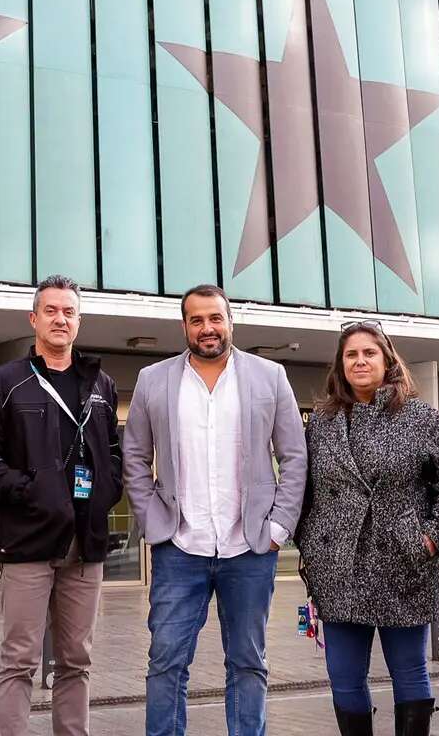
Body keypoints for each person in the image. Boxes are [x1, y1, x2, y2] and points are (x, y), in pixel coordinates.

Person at [123, 285, 309, 736]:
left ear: (230, 321)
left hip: (249, 548)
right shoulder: (154, 379)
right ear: (184, 326)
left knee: (248, 663)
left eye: (215, 318)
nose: (207, 328)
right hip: (178, 547)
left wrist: (279, 526)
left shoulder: (270, 376)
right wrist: (152, 521)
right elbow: (134, 456)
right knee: (165, 661)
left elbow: (294, 455)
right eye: (196, 320)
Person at [0, 274, 123, 736]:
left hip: (85, 545)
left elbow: (112, 452)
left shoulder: (101, 385)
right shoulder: (5, 382)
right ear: (34, 319)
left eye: (68, 311)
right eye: (51, 310)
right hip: (28, 542)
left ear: (79, 322)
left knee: (77, 660)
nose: (60, 319)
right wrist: (28, 491)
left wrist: (103, 496)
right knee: (19, 660)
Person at [299, 320, 439, 736]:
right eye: (351, 355)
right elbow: (302, 489)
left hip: (404, 566)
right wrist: (310, 548)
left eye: (369, 353)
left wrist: (428, 541)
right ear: (340, 365)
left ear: (387, 359)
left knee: (410, 673)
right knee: (343, 679)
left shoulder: (420, 418)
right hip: (338, 570)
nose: (360, 361)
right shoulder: (320, 424)